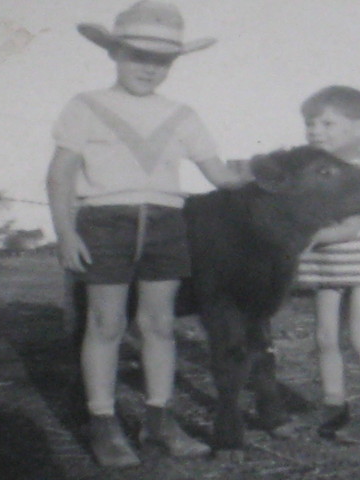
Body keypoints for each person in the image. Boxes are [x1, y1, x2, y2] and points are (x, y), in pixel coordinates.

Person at [46, 1, 250, 467]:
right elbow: (60, 175)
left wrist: (272, 172)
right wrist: (65, 232)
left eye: (161, 60)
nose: (149, 68)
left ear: (172, 65)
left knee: (159, 325)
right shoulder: (86, 106)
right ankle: (102, 423)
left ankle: (159, 424)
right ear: (114, 54)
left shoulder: (182, 114)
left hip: (165, 223)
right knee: (106, 324)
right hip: (104, 222)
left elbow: (220, 176)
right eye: (137, 55)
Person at [294, 86, 360, 443]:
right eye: (311, 123)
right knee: (325, 337)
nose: (315, 131)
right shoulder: (313, 174)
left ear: (359, 128)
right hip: (328, 264)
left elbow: (355, 226)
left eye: (327, 123)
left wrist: (305, 238)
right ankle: (334, 407)